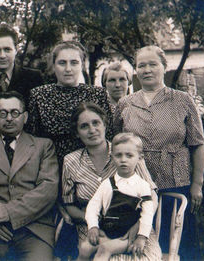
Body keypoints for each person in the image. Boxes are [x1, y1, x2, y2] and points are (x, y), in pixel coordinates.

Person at [114, 45, 204, 260]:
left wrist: (197, 184)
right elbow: (116, 143)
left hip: (176, 182)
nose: (146, 70)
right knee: (142, 247)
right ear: (135, 70)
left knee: (179, 245)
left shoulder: (182, 100)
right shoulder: (125, 103)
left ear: (164, 67)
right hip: (137, 186)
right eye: (141, 65)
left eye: (152, 64)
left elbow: (198, 144)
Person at [62, 102, 161, 261]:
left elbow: (152, 198)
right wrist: (94, 224)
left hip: (133, 226)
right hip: (92, 228)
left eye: (96, 123)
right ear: (77, 132)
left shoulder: (127, 152)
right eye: (84, 126)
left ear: (105, 124)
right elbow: (69, 205)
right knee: (91, 251)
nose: (92, 130)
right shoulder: (71, 161)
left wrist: (137, 229)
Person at [0, 91, 59, 260]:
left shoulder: (43, 146)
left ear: (25, 116)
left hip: (34, 230)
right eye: (3, 114)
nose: (9, 118)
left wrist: (9, 213)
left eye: (15, 113)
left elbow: (48, 190)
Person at [27, 41, 112, 166]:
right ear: (53, 66)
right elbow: (32, 139)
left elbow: (108, 134)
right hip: (51, 167)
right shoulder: (39, 95)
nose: (68, 69)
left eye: (74, 63)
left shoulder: (98, 94)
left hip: (91, 167)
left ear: (82, 65)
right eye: (62, 63)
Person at [83, 133, 154, 261]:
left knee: (105, 250)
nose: (123, 160)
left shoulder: (142, 186)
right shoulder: (107, 184)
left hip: (126, 237)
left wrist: (142, 237)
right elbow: (93, 206)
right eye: (118, 155)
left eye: (129, 155)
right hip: (107, 232)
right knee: (84, 248)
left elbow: (147, 214)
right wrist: (93, 226)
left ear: (139, 157)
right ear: (112, 157)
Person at [0, 23, 44, 140]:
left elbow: (39, 121)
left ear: (16, 49)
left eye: (7, 49)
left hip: (26, 147)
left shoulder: (33, 78)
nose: (2, 55)